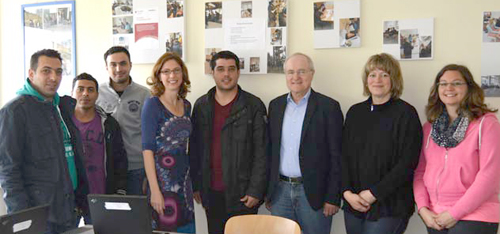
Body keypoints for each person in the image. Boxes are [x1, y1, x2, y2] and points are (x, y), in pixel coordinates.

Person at [0, 49, 88, 234]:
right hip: (40, 215)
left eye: (58, 72)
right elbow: (9, 170)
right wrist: (23, 219)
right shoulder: (15, 112)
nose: (53, 77)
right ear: (31, 74)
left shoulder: (62, 106)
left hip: (68, 209)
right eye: (46, 71)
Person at [342, 53, 423, 234]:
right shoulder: (355, 113)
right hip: (354, 203)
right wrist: (347, 193)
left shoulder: (406, 114)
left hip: (390, 205)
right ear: (366, 80)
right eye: (372, 75)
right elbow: (343, 157)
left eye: (384, 75)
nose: (377, 80)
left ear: (393, 80)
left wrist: (373, 194)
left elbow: (407, 163)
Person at [414, 64, 500, 234]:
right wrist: (423, 209)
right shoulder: (429, 128)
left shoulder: (486, 124)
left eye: (457, 83)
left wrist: (455, 213)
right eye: (443, 83)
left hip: (475, 216)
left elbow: (489, 176)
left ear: (469, 88)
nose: (449, 88)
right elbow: (419, 173)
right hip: (435, 217)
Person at [189, 50, 267, 234]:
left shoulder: (254, 106)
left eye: (231, 69)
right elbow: (195, 150)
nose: (226, 74)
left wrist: (256, 190)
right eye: (221, 69)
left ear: (238, 72)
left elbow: (262, 151)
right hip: (211, 193)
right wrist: (197, 185)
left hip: (243, 194)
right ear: (212, 72)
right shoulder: (201, 106)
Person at [266, 53, 343, 234]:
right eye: (290, 72)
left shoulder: (328, 107)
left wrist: (333, 197)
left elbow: (337, 155)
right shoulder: (275, 106)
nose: (295, 77)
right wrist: (268, 191)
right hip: (280, 192)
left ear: (312, 74)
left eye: (301, 71)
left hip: (314, 194)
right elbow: (270, 151)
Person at [141, 53, 195, 233]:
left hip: (184, 179)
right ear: (159, 76)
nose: (172, 76)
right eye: (166, 72)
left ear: (182, 74)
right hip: (162, 181)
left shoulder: (187, 105)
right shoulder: (152, 105)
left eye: (176, 71)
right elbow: (147, 150)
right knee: (165, 228)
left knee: (186, 228)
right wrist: (155, 190)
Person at [71, 73, 128, 225]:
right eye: (80, 89)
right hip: (71, 199)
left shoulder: (109, 124)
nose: (85, 94)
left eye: (90, 90)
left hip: (101, 195)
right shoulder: (63, 124)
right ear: (72, 93)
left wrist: (120, 190)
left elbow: (120, 158)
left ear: (97, 94)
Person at [96, 46, 151, 195]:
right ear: (106, 67)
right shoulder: (96, 93)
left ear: (130, 65)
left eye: (123, 63)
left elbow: (152, 134)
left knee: (138, 216)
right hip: (107, 168)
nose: (118, 68)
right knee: (109, 217)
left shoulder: (145, 94)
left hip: (137, 169)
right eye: (113, 64)